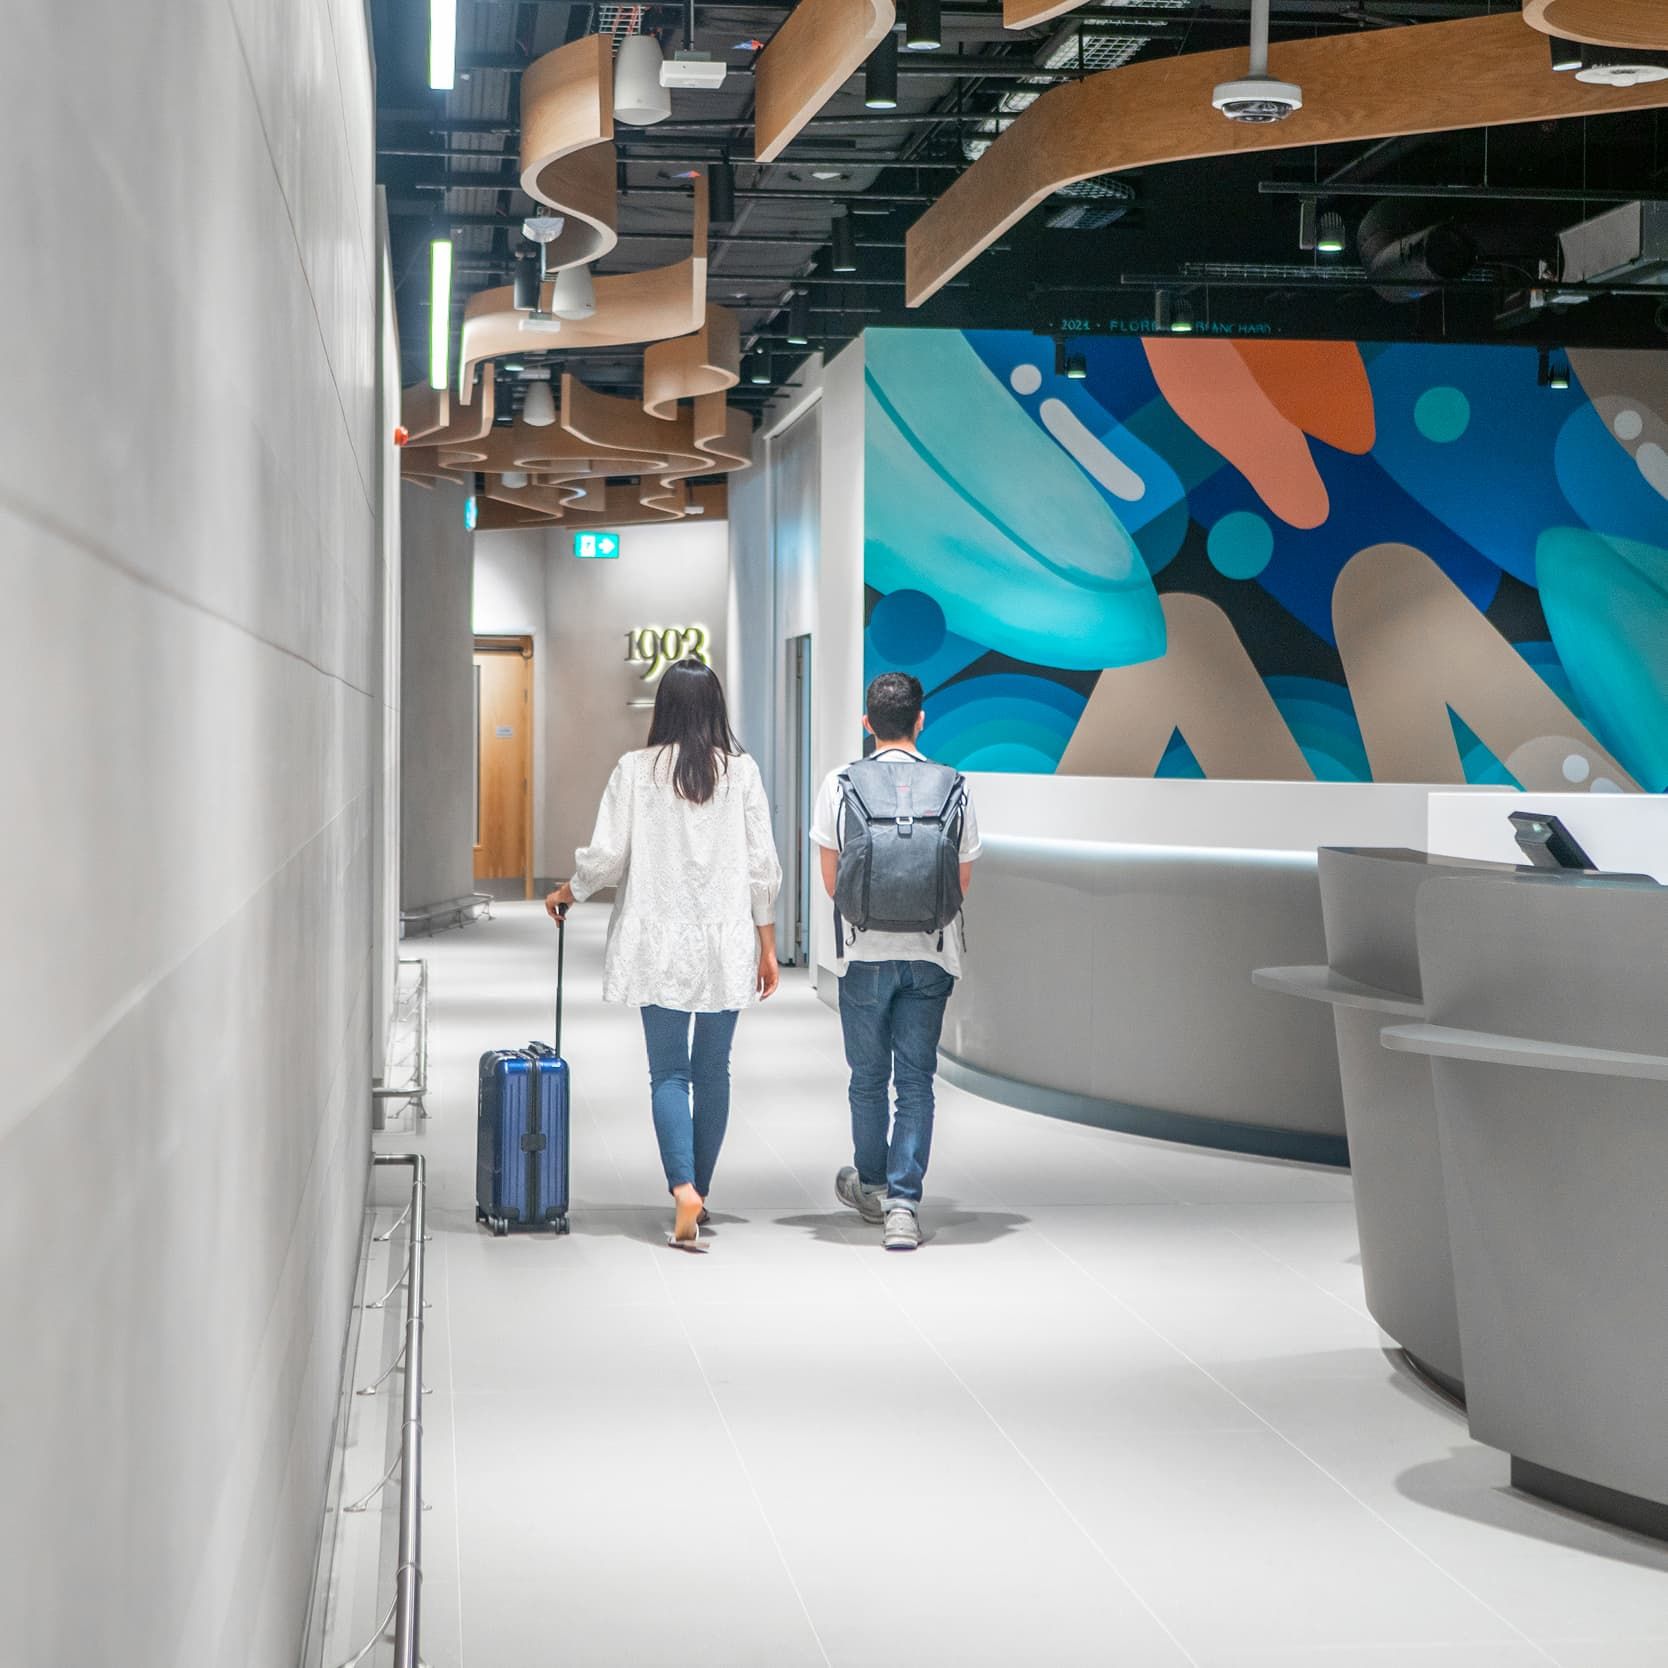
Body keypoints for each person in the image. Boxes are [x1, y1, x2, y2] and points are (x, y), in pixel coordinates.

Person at [546, 659, 781, 1252]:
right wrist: (768, 945)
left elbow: (608, 856)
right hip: (726, 939)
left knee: (669, 1073)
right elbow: (762, 866)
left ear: (665, 708)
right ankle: (700, 1189)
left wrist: (569, 892)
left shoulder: (635, 770)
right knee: (714, 1071)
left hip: (657, 941)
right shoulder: (742, 773)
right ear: (716, 707)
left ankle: (683, 1187)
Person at [810, 672, 981, 1251]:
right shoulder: (954, 785)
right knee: (915, 1081)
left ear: (868, 724)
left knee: (867, 1078)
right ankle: (904, 1208)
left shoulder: (840, 783)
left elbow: (832, 882)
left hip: (862, 956)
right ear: (920, 721)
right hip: (931, 955)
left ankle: (873, 1186)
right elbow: (961, 882)